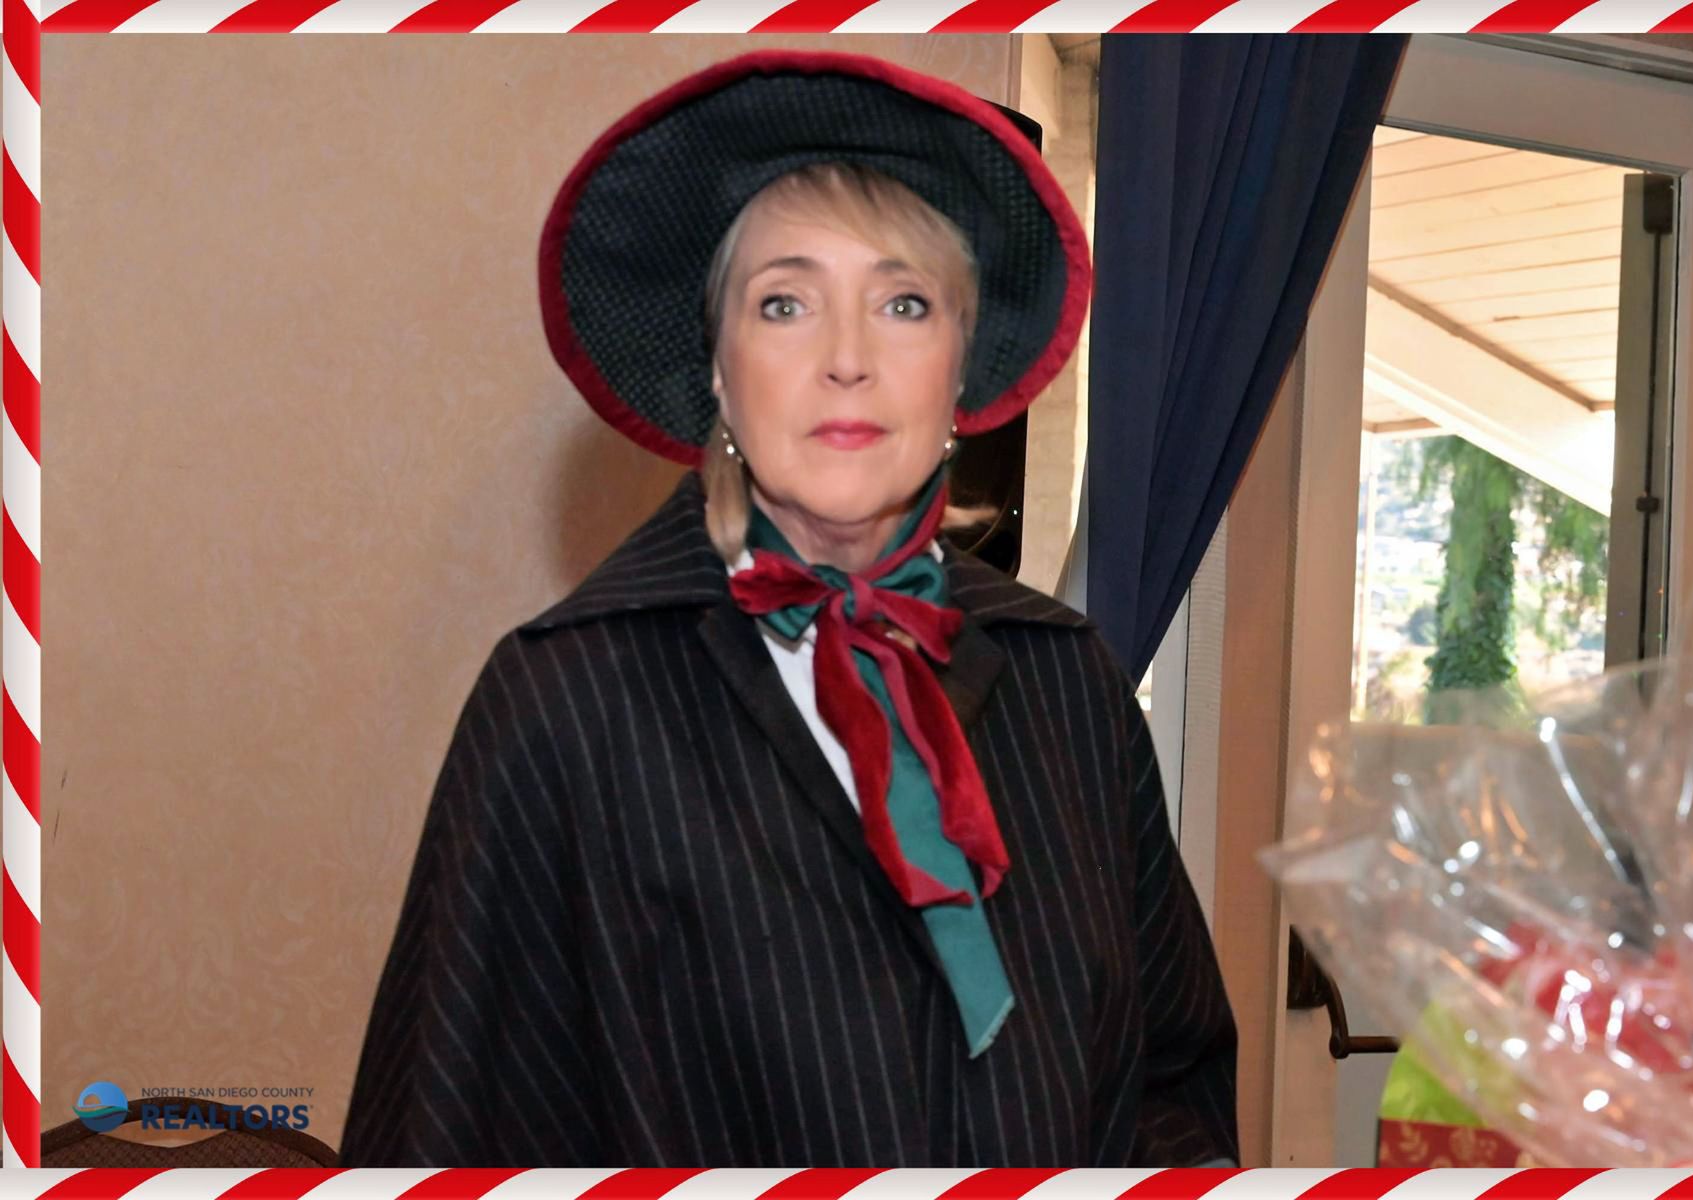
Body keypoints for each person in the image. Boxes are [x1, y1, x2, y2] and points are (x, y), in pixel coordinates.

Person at [338, 49, 1237, 1168]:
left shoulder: (1070, 687)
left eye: (903, 303)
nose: (848, 359)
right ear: (718, 369)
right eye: (784, 303)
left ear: (961, 370)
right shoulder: (566, 703)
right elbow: (448, 1126)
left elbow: (1174, 1085)